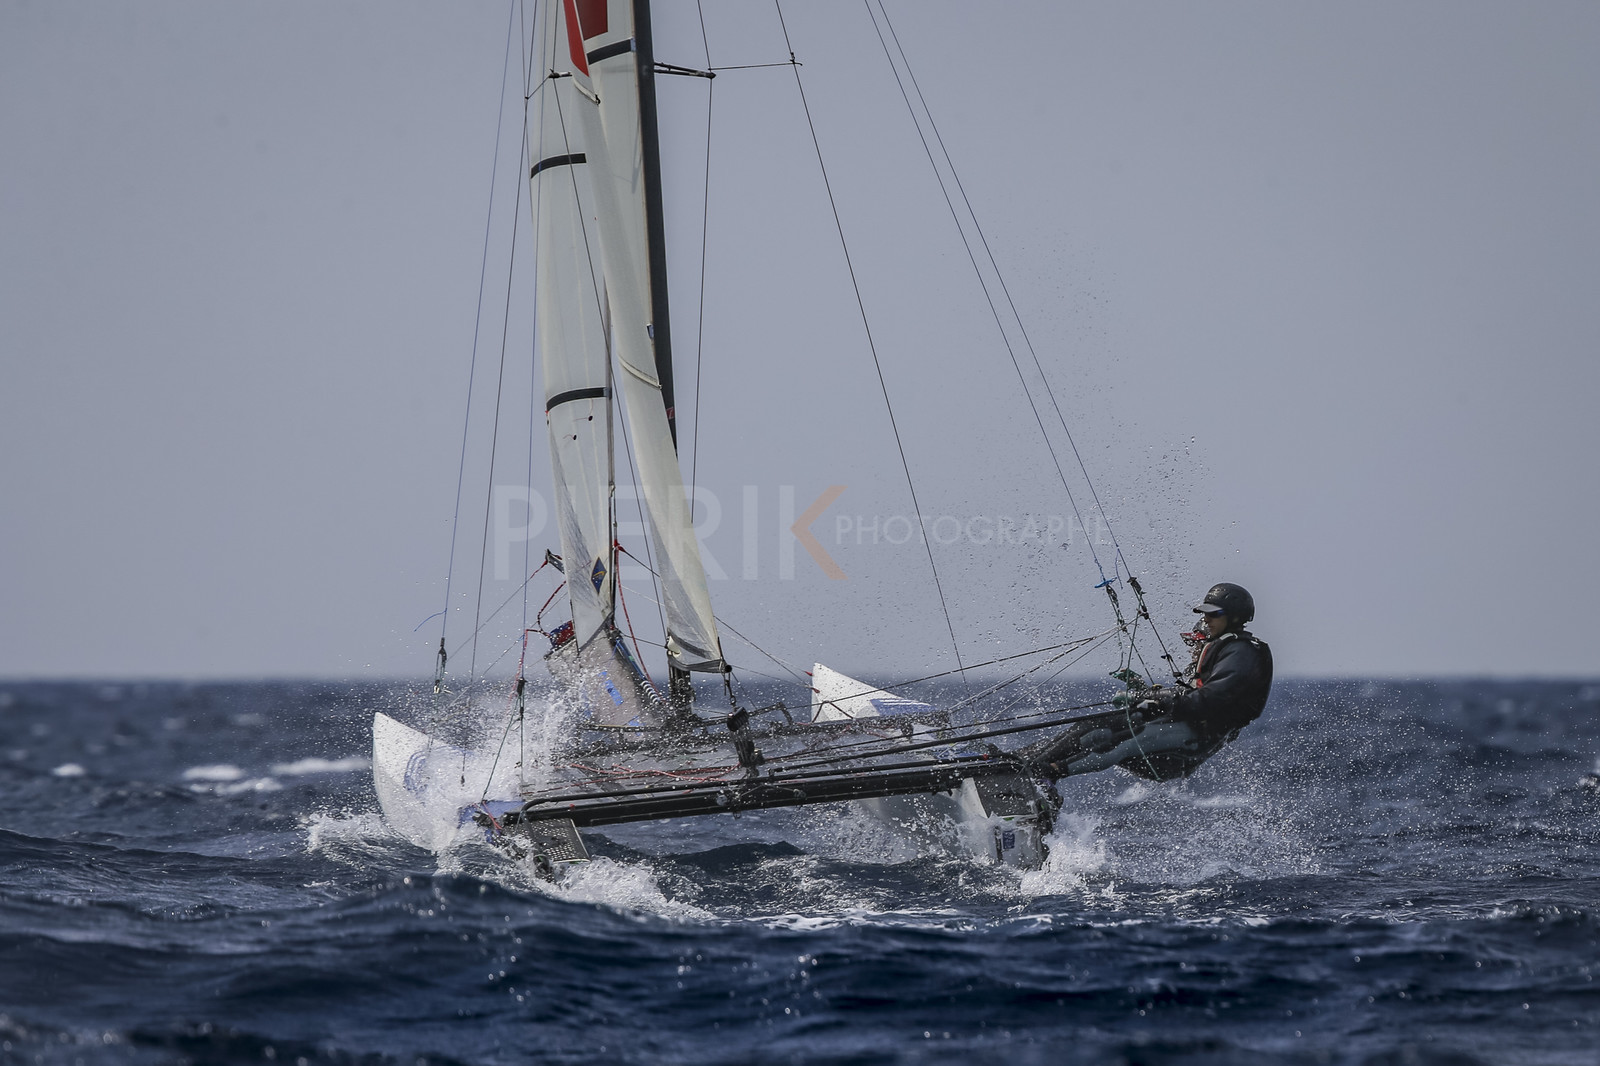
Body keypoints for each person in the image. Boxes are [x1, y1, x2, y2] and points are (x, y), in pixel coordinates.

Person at [1019, 582, 1273, 782]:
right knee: (1094, 726)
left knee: (1122, 741)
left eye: (1213, 615)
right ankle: (1020, 762)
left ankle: (1046, 773)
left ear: (1235, 617)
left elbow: (1210, 699)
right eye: (1205, 615)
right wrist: (1147, 695)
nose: (1206, 621)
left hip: (1196, 737)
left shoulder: (1241, 651)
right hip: (1183, 727)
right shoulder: (1226, 647)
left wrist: (1156, 700)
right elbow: (1188, 696)